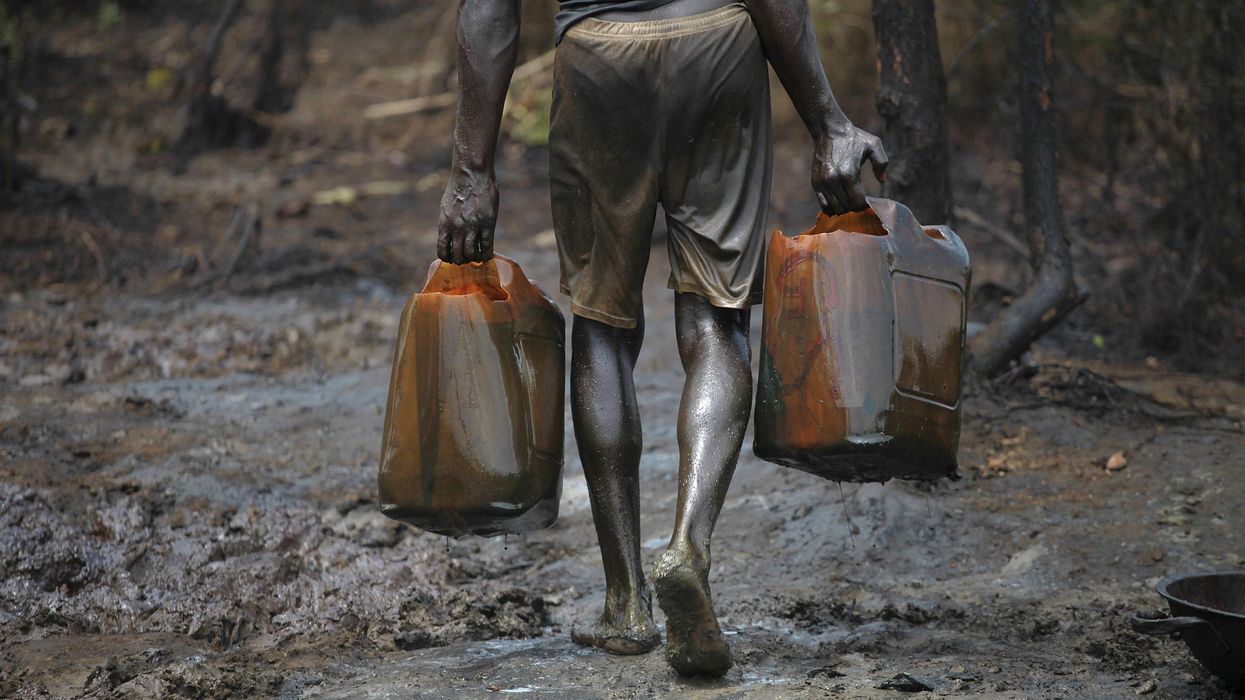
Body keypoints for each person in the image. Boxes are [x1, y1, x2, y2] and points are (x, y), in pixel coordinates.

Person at [436, 0, 888, 676]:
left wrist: (472, 170)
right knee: (716, 318)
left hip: (598, 60)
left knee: (600, 325)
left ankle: (626, 604)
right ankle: (687, 548)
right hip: (719, 46)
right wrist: (827, 120)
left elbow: (489, 10)